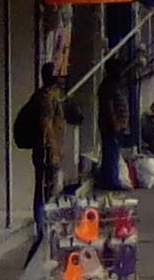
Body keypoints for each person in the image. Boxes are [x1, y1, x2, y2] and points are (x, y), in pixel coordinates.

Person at [14, 64, 82, 236]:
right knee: (45, 190)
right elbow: (47, 128)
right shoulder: (46, 99)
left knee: (48, 189)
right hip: (46, 152)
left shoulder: (54, 96)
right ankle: (42, 227)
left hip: (50, 151)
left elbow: (73, 116)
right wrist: (51, 153)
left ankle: (46, 224)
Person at [97, 60, 130, 189]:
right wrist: (115, 123)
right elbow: (109, 107)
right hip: (110, 125)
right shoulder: (108, 86)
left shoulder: (113, 84)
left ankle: (109, 179)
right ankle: (112, 181)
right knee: (111, 152)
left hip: (116, 124)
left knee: (113, 152)